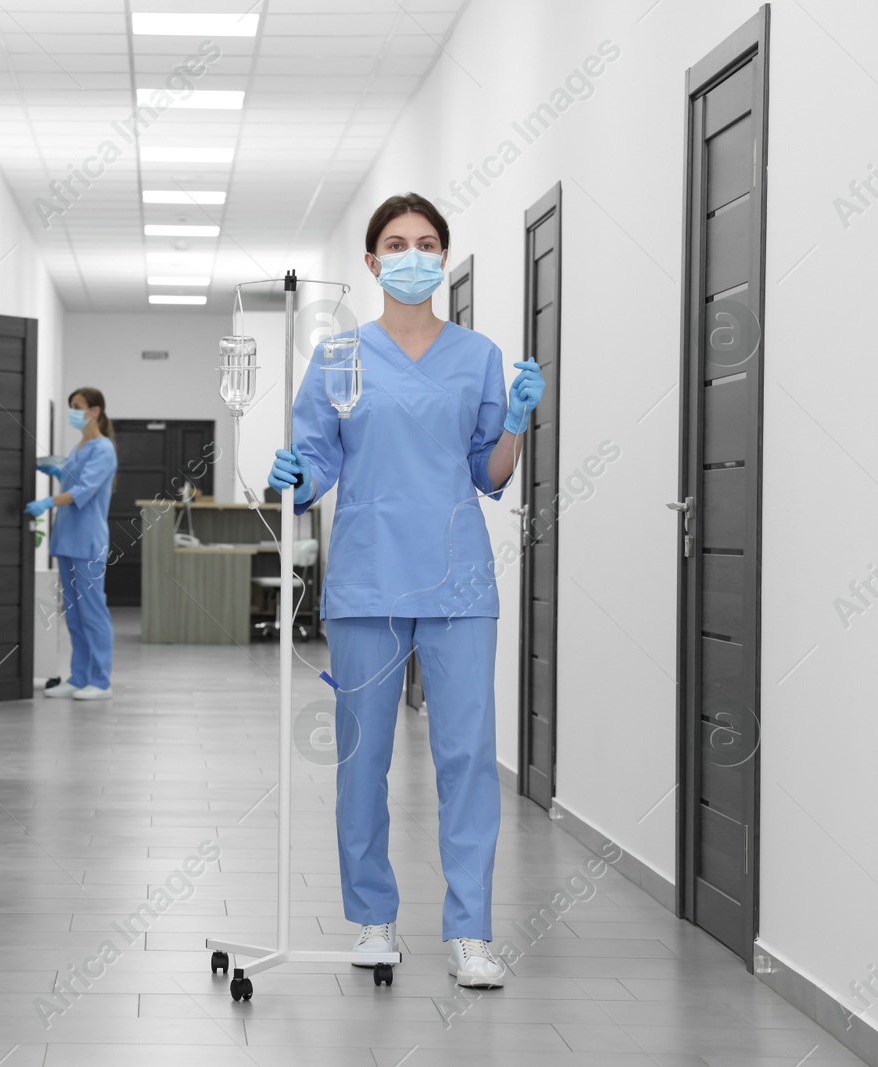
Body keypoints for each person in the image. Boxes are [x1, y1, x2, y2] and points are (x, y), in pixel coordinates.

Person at [268, 193, 544, 989]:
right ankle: (373, 919)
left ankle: (471, 934)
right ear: (371, 262)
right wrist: (295, 477)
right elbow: (318, 462)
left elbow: (488, 475)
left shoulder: (480, 356)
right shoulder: (337, 358)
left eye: (427, 243)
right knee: (363, 759)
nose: (412, 254)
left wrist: (518, 425)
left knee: (467, 759)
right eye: (396, 243)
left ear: (444, 258)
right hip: (367, 579)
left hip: (458, 582)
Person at [26, 387, 120, 701]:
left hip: (88, 543)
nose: (73, 412)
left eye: (77, 406)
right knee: (74, 613)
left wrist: (48, 501)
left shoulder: (104, 449)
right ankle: (79, 677)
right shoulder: (81, 446)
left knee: (92, 612)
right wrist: (58, 469)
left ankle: (101, 681)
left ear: (94, 411)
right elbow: (72, 479)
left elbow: (83, 491)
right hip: (67, 541)